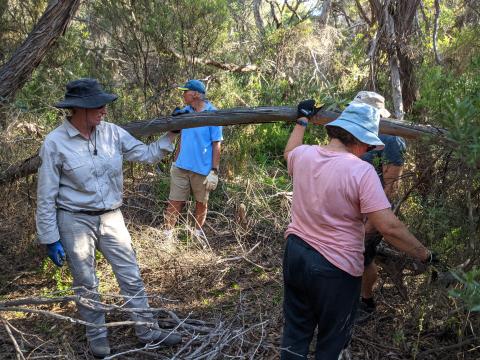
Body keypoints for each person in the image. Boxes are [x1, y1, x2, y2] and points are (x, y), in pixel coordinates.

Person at [280, 98, 437, 359]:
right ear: (361, 139)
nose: (367, 149)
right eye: (368, 143)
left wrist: (302, 120)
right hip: (335, 268)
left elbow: (289, 153)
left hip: (295, 254)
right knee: (331, 342)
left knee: (295, 333)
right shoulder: (360, 171)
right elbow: (389, 226)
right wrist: (425, 255)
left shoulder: (304, 155)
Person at [36, 78, 182, 358]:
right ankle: (98, 339)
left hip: (112, 217)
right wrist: (49, 237)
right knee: (86, 283)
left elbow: (148, 154)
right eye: (98, 105)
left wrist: (172, 133)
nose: (104, 110)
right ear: (79, 109)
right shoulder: (55, 143)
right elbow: (46, 194)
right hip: (74, 220)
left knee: (131, 275)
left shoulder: (113, 133)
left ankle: (147, 330)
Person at [353, 92, 408, 323]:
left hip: (376, 210)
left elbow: (390, 187)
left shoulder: (391, 139)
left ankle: (366, 303)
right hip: (356, 207)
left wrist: (372, 221)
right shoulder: (357, 132)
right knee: (357, 255)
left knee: (363, 258)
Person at [163, 79, 222, 244]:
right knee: (174, 202)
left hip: (202, 170)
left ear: (195, 94)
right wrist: (175, 162)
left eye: (185, 91)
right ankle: (167, 238)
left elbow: (216, 144)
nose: (183, 95)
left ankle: (197, 234)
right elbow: (181, 137)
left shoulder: (213, 113)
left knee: (201, 203)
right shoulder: (185, 112)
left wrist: (214, 171)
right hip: (181, 167)